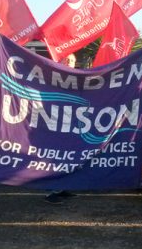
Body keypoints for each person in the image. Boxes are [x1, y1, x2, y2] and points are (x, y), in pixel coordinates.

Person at [44, 53, 78, 205]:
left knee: (67, 157)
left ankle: (63, 187)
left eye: (72, 60)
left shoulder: (78, 78)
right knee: (53, 158)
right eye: (67, 60)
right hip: (54, 124)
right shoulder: (54, 77)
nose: (69, 62)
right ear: (61, 61)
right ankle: (50, 192)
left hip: (70, 124)